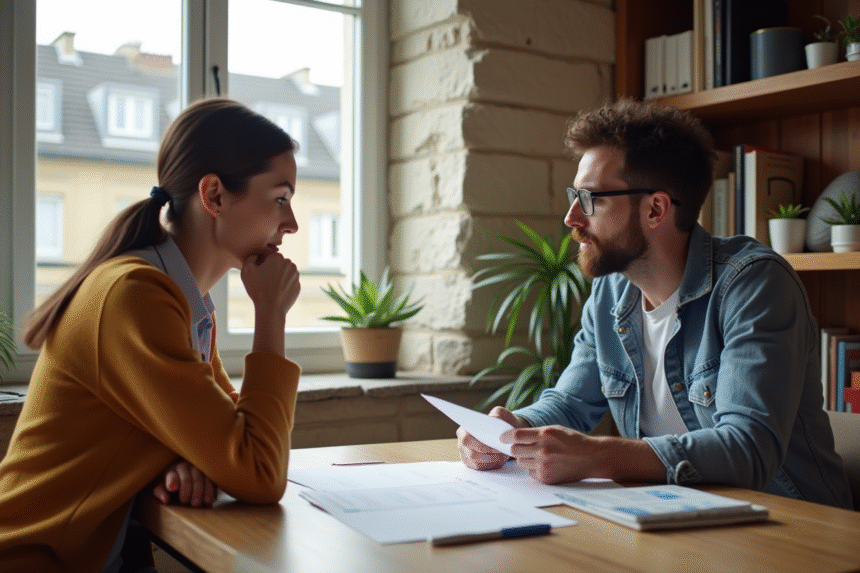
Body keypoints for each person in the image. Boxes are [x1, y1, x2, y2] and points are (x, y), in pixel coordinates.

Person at [458, 99, 853, 509]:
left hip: (793, 529)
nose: (572, 218)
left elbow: (748, 449)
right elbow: (572, 402)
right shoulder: (612, 293)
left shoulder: (753, 284)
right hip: (677, 515)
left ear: (656, 208)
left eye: (591, 199)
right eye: (574, 196)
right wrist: (511, 429)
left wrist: (598, 456)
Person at [0, 98, 303, 572]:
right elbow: (259, 470)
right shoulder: (135, 296)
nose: (292, 224)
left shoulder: (181, 300)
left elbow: (234, 444)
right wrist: (270, 314)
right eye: (280, 198)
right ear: (215, 195)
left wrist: (187, 457)